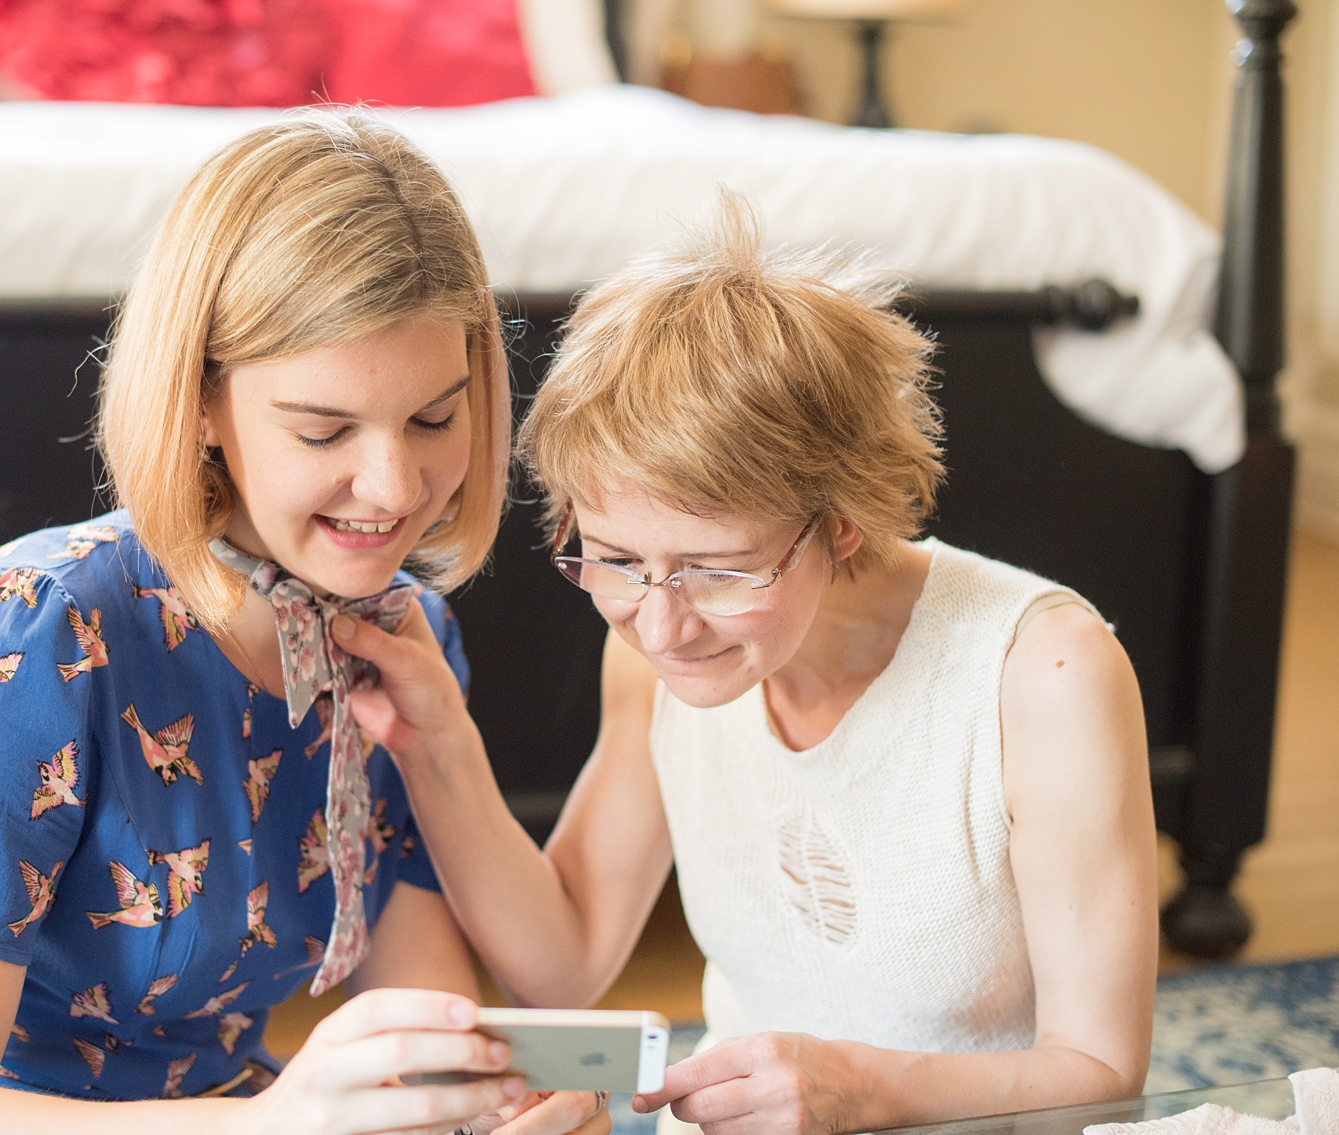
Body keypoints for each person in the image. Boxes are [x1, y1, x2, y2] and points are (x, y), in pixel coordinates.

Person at [0, 113, 609, 1135]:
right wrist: (273, 1123)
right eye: (322, 428)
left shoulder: (398, 636)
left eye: (434, 419)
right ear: (199, 400)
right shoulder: (35, 631)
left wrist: (487, 1105)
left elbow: (413, 1019)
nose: (393, 488)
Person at [332, 201, 1161, 1135]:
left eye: (718, 571)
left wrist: (866, 1091)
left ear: (842, 517)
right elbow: (564, 959)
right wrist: (439, 741)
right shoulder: (650, 649)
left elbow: (1102, 1072)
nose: (664, 622)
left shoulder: (1042, 672)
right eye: (611, 556)